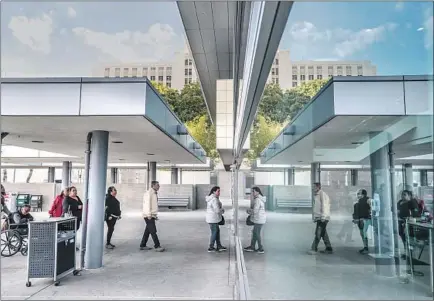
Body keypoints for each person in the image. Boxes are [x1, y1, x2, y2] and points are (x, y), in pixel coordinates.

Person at [308, 183, 333, 255]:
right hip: (320, 217)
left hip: (323, 218)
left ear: (318, 187)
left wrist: (323, 217)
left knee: (318, 233)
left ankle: (314, 249)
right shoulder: (317, 195)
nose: (313, 188)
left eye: (314, 187)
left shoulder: (322, 194)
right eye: (312, 187)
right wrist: (316, 217)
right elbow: (317, 207)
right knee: (323, 233)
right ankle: (329, 248)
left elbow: (324, 206)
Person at [140, 181, 165, 252]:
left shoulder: (154, 193)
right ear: (153, 185)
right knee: (153, 231)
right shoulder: (149, 193)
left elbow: (153, 205)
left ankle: (143, 245)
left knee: (148, 231)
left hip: (151, 215)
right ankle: (157, 246)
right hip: (148, 215)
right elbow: (147, 205)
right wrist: (149, 215)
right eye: (157, 185)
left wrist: (154, 215)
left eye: (159, 185)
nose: (159, 186)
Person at [244, 186, 266, 254]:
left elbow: (255, 211)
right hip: (259, 218)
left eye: (253, 191)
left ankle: (260, 248)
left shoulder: (257, 200)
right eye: (252, 191)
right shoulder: (259, 199)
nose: (252, 193)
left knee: (257, 233)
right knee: (255, 232)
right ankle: (252, 247)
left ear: (257, 192)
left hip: (259, 219)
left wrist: (249, 211)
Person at [205, 186, 227, 252]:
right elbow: (217, 210)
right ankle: (211, 247)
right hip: (213, 219)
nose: (219, 192)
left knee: (216, 232)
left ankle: (219, 246)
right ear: (214, 191)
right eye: (218, 191)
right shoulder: (214, 199)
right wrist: (222, 210)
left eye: (219, 191)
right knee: (214, 232)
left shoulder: (213, 198)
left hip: (213, 218)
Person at [352, 189, 372, 254]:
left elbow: (371, 209)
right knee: (362, 234)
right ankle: (365, 246)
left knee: (364, 234)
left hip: (365, 220)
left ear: (363, 194)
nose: (358, 195)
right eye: (358, 193)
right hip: (361, 220)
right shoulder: (358, 202)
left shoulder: (368, 200)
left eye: (359, 193)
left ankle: (366, 248)